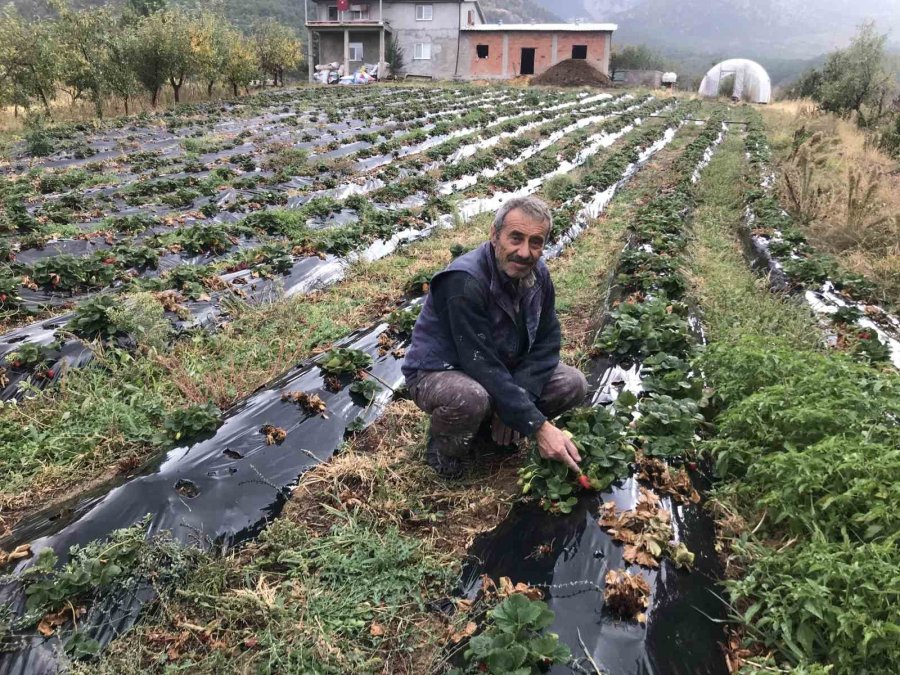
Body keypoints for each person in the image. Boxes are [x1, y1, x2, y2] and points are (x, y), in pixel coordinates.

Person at [402, 196, 588, 478]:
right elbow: (479, 362)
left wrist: (519, 399)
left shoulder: (538, 275)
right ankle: (443, 450)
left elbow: (548, 342)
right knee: (470, 397)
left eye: (535, 242)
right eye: (516, 238)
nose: (524, 252)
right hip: (443, 370)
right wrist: (537, 425)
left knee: (573, 383)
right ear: (494, 235)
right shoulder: (464, 281)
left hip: (500, 366)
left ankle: (492, 431)